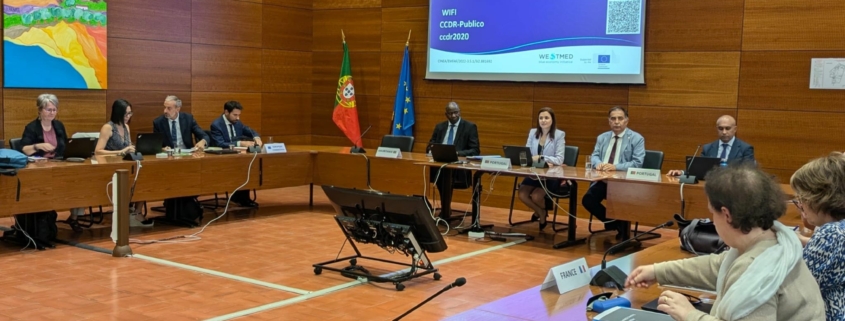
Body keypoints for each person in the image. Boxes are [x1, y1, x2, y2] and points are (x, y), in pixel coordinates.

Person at [625, 164, 825, 321]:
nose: (712, 219)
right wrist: (658, 271)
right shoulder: (772, 240)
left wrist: (688, 314)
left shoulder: (756, 268)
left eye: (712, 212)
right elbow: (719, 266)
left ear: (726, 214)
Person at [790, 152, 845, 321]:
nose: (800, 205)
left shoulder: (830, 234)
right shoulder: (839, 230)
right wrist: (803, 240)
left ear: (818, 198)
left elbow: (795, 289)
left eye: (801, 198)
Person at [19, 94, 86, 232]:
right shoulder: (32, 127)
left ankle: (74, 217)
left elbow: (67, 145)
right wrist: (37, 146)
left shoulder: (59, 126)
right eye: (48, 110)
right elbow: (23, 149)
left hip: (59, 164)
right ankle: (44, 220)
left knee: (79, 181)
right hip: (39, 168)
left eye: (54, 110)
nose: (52, 113)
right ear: (40, 110)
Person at [582, 106, 645, 240]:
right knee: (588, 200)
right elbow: (594, 155)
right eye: (613, 119)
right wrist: (598, 163)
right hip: (603, 180)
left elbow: (637, 163)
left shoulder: (636, 138)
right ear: (609, 121)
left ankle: (622, 229)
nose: (617, 122)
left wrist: (615, 167)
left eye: (620, 118)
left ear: (626, 121)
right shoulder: (602, 137)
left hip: (623, 183)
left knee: (620, 202)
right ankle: (614, 224)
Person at [94, 99, 152, 227]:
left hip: (126, 165)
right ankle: (126, 212)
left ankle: (137, 212)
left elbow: (128, 145)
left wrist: (134, 148)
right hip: (111, 167)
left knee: (143, 178)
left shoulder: (126, 127)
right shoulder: (108, 127)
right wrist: (121, 152)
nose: (128, 117)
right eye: (126, 114)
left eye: (130, 113)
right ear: (118, 113)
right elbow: (98, 151)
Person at [426, 102, 480, 220]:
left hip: (458, 167)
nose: (454, 115)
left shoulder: (469, 127)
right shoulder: (440, 127)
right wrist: (433, 150)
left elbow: (475, 150)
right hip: (439, 164)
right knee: (422, 173)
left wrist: (457, 153)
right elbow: (430, 145)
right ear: (446, 114)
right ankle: (427, 207)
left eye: (456, 112)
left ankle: (445, 210)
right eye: (450, 113)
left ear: (459, 112)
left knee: (445, 176)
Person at [517, 107, 565, 231]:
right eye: (541, 118)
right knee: (522, 194)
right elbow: (527, 153)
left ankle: (541, 212)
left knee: (537, 197)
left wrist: (542, 157)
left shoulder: (559, 135)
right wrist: (531, 158)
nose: (543, 120)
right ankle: (541, 212)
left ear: (552, 120)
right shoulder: (533, 133)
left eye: (546, 118)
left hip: (551, 175)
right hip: (534, 172)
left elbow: (559, 159)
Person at [209, 101, 262, 208]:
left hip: (239, 157)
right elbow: (220, 143)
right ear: (226, 112)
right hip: (223, 158)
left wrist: (257, 138)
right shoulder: (216, 125)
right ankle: (239, 197)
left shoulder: (238, 123)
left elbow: (251, 131)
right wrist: (240, 143)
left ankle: (241, 197)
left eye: (239, 115)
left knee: (247, 165)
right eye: (235, 115)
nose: (237, 118)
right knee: (241, 167)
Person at [669, 115, 755, 176]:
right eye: (720, 128)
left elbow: (749, 173)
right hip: (710, 188)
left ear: (735, 129)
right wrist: (682, 172)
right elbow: (699, 170)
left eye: (728, 128)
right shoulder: (708, 148)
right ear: (717, 129)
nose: (724, 132)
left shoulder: (745, 148)